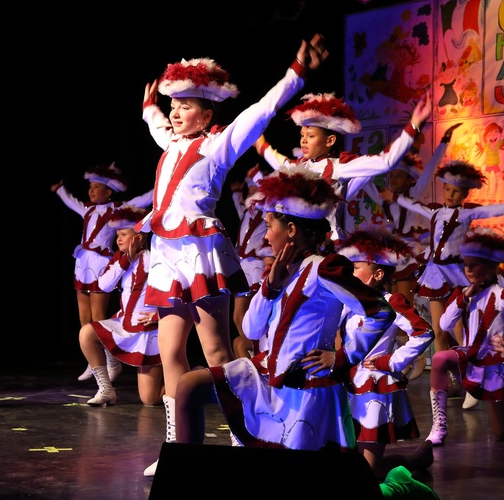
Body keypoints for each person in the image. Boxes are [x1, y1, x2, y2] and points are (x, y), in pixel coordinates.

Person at [138, 34, 330, 477]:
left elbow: (261, 110)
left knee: (215, 350)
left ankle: (245, 436)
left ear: (207, 114)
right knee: (170, 352)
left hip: (200, 253)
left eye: (186, 106)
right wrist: (149, 106)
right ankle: (179, 448)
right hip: (165, 254)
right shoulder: (170, 142)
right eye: (174, 105)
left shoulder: (218, 145)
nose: (175, 112)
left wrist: (296, 73)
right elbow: (156, 124)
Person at [173, 166, 396, 454]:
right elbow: (251, 330)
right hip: (268, 372)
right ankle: (184, 474)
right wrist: (270, 287)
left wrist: (343, 357)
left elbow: (381, 312)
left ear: (291, 230)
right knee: (189, 385)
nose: (265, 237)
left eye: (269, 226)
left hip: (306, 385)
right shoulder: (279, 272)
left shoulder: (325, 268)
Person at [393, 159, 504, 406]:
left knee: (462, 331)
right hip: (435, 274)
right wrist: (394, 197)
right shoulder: (435, 212)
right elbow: (413, 204)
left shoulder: (467, 213)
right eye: (447, 189)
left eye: (456, 191)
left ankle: (471, 379)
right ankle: (448, 380)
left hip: (455, 274)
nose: (450, 194)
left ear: (465, 194)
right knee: (438, 330)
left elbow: (488, 211)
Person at [253, 92, 432, 245]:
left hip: (328, 245)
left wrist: (414, 125)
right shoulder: (298, 166)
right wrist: (256, 138)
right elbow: (275, 158)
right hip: (302, 243)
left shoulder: (340, 166)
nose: (304, 141)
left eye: (311, 136)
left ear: (330, 140)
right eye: (302, 135)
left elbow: (385, 161)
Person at [425, 228, 504, 446]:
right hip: (469, 356)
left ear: (491, 266)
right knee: (440, 358)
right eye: (466, 264)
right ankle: (439, 426)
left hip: (492, 364)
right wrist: (464, 297)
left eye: (475, 265)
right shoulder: (462, 293)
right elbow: (444, 325)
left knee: (501, 433)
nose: (468, 270)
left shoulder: (503, 294)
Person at [336, 226, 435, 479]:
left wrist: (391, 361)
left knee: (369, 471)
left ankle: (414, 461)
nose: (351, 272)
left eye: (356, 268)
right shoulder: (348, 302)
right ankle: (415, 460)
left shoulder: (392, 302)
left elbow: (424, 332)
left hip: (374, 385)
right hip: (347, 382)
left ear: (378, 274)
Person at [374, 122, 463, 380]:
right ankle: (409, 356)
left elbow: (430, 170)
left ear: (410, 179)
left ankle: (425, 358)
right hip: (392, 258)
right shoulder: (386, 199)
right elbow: (367, 181)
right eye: (391, 176)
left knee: (411, 308)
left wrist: (443, 143)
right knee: (394, 308)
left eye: (399, 176)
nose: (393, 180)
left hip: (412, 258)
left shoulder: (414, 193)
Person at [51, 162, 153, 382]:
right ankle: (92, 359)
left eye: (96, 187)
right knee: (84, 316)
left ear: (108, 191)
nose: (91, 191)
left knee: (98, 316)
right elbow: (72, 202)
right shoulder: (87, 209)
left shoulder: (117, 208)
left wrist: (162, 188)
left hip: (101, 262)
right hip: (83, 262)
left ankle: (111, 359)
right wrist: (60, 190)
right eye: (90, 187)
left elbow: (142, 200)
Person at [79, 205, 164, 407]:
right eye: (117, 234)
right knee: (86, 333)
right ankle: (106, 389)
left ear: (139, 237)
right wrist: (125, 261)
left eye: (123, 234)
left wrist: (158, 315)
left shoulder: (154, 260)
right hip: (124, 323)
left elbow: (172, 292)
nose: (118, 239)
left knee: (150, 399)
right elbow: (103, 285)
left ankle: (193, 378)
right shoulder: (119, 260)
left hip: (147, 332)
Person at [229, 164, 274, 359]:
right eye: (249, 190)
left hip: (256, 265)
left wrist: (256, 176)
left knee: (256, 312)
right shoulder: (248, 211)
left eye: (254, 188)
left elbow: (268, 192)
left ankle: (261, 348)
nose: (250, 191)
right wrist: (236, 193)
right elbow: (239, 207)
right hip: (242, 266)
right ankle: (251, 351)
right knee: (237, 316)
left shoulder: (266, 210)